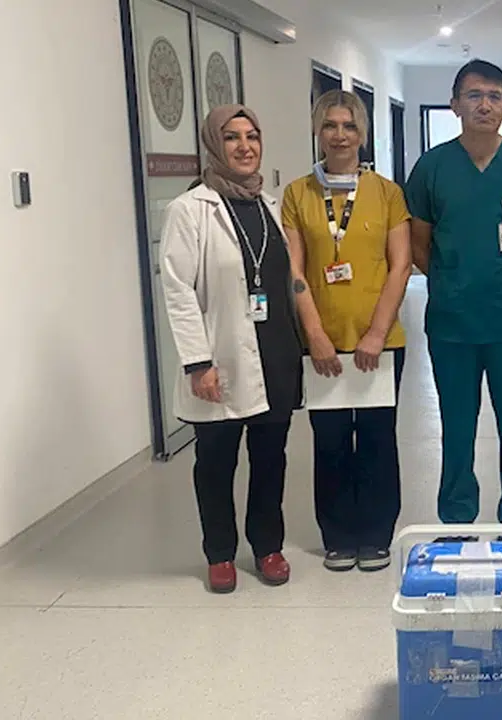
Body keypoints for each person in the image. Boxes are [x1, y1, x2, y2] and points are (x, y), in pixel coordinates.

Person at [404, 59, 502, 528]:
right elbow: (419, 245)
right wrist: (454, 280)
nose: (484, 105)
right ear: (455, 105)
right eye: (474, 95)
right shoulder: (432, 167)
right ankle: (456, 518)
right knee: (457, 426)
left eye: (494, 96)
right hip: (453, 322)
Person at [159, 104, 302, 593]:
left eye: (252, 136)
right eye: (232, 137)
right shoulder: (190, 209)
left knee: (271, 460)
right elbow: (178, 289)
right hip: (220, 357)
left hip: (275, 353)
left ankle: (268, 547)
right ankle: (219, 553)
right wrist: (198, 363)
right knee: (216, 463)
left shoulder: (270, 205)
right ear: (214, 145)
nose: (245, 146)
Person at [281, 89, 413, 572]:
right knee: (330, 440)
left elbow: (401, 265)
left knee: (378, 438)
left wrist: (376, 333)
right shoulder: (297, 194)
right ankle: (337, 535)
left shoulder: (387, 193)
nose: (340, 135)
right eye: (330, 125)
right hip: (323, 341)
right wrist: (314, 333)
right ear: (317, 132)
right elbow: (294, 270)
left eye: (349, 126)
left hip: (380, 341)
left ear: (363, 133)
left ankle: (376, 534)